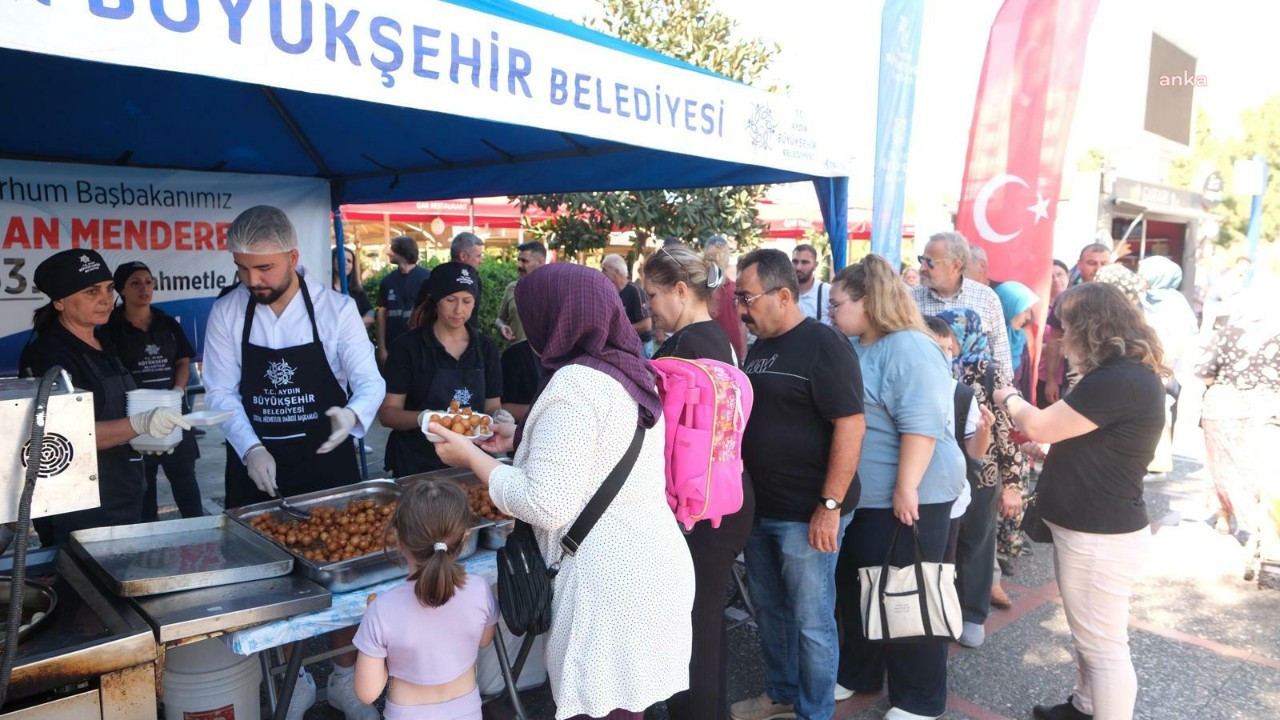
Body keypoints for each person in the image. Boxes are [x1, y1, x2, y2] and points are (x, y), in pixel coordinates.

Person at [430, 262, 694, 720]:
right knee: (628, 707)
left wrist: (472, 458)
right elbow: (600, 454)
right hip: (652, 565)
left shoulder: (574, 382)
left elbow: (544, 503)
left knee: (603, 709)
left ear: (555, 318)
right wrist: (519, 441)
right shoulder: (629, 369)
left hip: (608, 582)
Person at [203, 205, 385, 720]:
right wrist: (250, 448)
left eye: (264, 269)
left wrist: (350, 418)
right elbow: (219, 391)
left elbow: (370, 383)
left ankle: (348, 677)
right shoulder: (228, 312)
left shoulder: (335, 309)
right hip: (257, 465)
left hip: (327, 462)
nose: (252, 280)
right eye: (242, 269)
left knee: (348, 575)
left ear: (293, 257)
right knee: (270, 583)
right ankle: (294, 675)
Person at [994, 282, 1166, 720]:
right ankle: (1084, 707)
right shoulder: (1122, 374)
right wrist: (1053, 448)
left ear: (1089, 326)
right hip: (1095, 527)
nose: (1058, 333)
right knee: (1089, 635)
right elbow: (1094, 438)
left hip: (1099, 534)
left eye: (1065, 324)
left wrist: (1009, 397)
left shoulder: (1118, 378)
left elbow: (1041, 425)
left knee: (1103, 646)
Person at [730, 249, 864, 720]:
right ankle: (782, 693)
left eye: (746, 298)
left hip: (808, 514)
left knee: (811, 622)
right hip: (760, 508)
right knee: (770, 611)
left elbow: (851, 425)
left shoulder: (825, 345)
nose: (741, 309)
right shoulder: (760, 347)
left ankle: (815, 712)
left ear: (783, 295)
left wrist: (829, 505)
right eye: (737, 298)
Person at [830, 255, 965, 720]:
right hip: (870, 496)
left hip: (911, 494)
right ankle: (860, 671)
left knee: (908, 591)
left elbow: (922, 424)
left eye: (838, 302)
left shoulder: (908, 346)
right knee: (862, 586)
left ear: (868, 302)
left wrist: (906, 487)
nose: (830, 311)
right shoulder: (862, 344)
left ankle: (920, 700)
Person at [640, 244, 753, 720]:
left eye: (652, 295)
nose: (648, 306)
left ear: (681, 291)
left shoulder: (687, 347)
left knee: (695, 626)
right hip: (722, 495)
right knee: (702, 620)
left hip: (699, 504)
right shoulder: (718, 336)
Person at [20, 250, 190, 544]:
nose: (105, 298)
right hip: (81, 509)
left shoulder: (102, 341)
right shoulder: (50, 355)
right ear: (59, 301)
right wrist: (141, 424)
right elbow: (65, 437)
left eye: (109, 288)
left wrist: (149, 437)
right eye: (91, 291)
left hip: (123, 493)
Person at [353, 479, 497, 720]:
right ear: (464, 537)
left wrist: (387, 642)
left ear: (397, 538)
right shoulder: (480, 589)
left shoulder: (381, 610)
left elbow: (367, 693)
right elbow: (485, 640)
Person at [933, 308, 1026, 646]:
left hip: (981, 474)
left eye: (950, 335)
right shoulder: (933, 366)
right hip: (940, 473)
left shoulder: (989, 372)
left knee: (975, 543)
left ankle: (972, 614)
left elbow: (1007, 431)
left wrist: (1013, 484)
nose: (946, 341)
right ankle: (942, 612)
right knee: (945, 545)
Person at [378, 262, 501, 477]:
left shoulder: (485, 347)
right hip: (417, 464)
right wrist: (424, 418)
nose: (459, 310)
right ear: (435, 300)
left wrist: (499, 417)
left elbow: (491, 407)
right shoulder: (407, 347)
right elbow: (388, 414)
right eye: (450, 300)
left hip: (472, 463)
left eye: (467, 301)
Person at [103, 261, 203, 520]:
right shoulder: (110, 329)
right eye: (135, 283)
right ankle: (150, 547)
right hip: (134, 419)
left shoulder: (167, 323)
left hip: (173, 413)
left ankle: (200, 534)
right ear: (121, 290)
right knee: (143, 485)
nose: (144, 288)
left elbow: (183, 360)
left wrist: (178, 391)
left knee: (185, 480)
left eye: (148, 282)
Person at [1195, 285, 1280, 580]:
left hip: (1225, 406)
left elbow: (1204, 371)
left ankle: (1228, 516)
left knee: (1226, 467)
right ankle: (1263, 529)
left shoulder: (1229, 333)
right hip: (1269, 409)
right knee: (1261, 470)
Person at [921, 316, 992, 565]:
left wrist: (984, 430)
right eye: (938, 349)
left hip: (948, 502)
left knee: (941, 570)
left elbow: (974, 451)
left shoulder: (960, 393)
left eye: (949, 349)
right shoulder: (902, 386)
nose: (945, 357)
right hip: (907, 498)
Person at [911, 232, 1013, 381]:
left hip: (977, 400)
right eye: (922, 260)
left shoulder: (986, 298)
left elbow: (1002, 361)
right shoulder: (910, 299)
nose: (922, 268)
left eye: (930, 262)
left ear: (956, 266)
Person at [1042, 243, 1113, 402]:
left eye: (1104, 264)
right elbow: (1054, 340)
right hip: (1077, 379)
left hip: (1113, 376)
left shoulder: (1120, 300)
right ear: (1080, 265)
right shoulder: (1068, 299)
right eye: (1092, 263)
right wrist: (1051, 380)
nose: (1098, 269)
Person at [377, 236, 429, 365]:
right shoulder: (387, 281)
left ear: (404, 253)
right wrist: (382, 349)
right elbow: (381, 315)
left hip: (421, 347)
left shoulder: (427, 278)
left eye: (392, 249)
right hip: (393, 347)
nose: (388, 252)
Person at [601, 254, 656, 357]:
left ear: (616, 272)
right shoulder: (611, 292)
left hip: (641, 346)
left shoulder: (634, 291)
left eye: (605, 269)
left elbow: (647, 324)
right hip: (625, 346)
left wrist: (621, 329)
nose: (602, 273)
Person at [994, 281, 1040, 399]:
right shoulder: (985, 340)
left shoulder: (1020, 339)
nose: (1028, 317)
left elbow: (1025, 383)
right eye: (1025, 310)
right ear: (1009, 307)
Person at [703, 235, 746, 361]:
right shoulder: (700, 289)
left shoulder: (734, 289)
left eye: (720, 252)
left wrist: (742, 354)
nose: (717, 256)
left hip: (729, 355)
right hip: (709, 354)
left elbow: (741, 324)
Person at [1036, 260, 1072, 407]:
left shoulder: (1080, 303)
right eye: (1050, 276)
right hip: (1044, 375)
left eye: (1060, 274)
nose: (1056, 280)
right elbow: (1030, 345)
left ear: (1068, 276)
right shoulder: (1035, 307)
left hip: (1071, 375)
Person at [333, 246, 374, 329]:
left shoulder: (357, 291)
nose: (346, 263)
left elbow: (370, 314)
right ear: (332, 261)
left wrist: (354, 324)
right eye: (342, 258)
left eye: (349, 261)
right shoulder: (326, 289)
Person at [791, 243, 833, 325]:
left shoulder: (827, 291)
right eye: (795, 262)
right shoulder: (785, 292)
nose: (798, 267)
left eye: (804, 262)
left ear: (815, 265)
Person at [450, 232, 485, 327]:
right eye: (478, 256)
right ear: (463, 256)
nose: (481, 261)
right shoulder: (474, 280)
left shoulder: (433, 277)